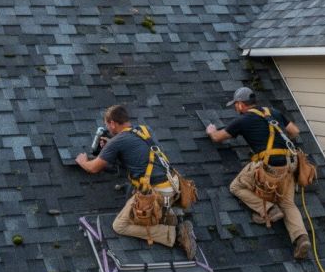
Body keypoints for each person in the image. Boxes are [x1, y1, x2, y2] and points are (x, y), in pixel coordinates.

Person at [76, 105, 195, 259]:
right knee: (142, 202)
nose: (107, 128)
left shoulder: (117, 141)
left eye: (107, 125)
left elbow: (93, 168)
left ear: (112, 123)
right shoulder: (144, 130)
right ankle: (170, 215)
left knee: (120, 226)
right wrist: (112, 146)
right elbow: (137, 151)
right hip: (174, 185)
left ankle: (173, 233)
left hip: (157, 192)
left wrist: (82, 161)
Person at [205, 87, 311, 260]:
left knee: (236, 186)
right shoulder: (273, 112)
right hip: (288, 165)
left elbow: (218, 137)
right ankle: (302, 239)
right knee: (288, 203)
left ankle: (269, 210)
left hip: (268, 166)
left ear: (241, 104)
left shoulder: (243, 120)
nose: (235, 108)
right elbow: (295, 131)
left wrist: (211, 131)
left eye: (235, 105)